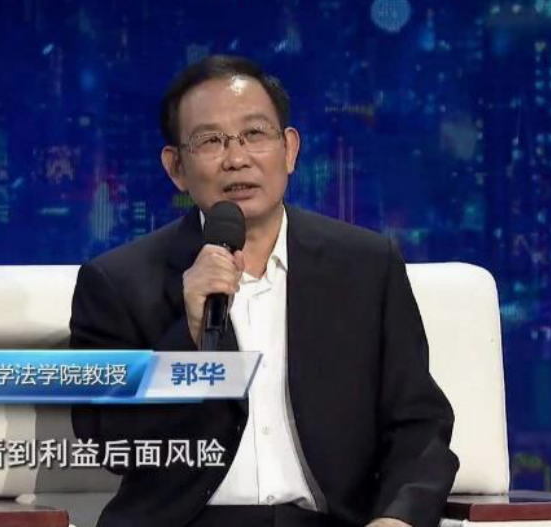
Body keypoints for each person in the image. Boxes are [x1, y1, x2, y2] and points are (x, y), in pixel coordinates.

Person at [69, 55, 458, 527]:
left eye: (254, 134)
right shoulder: (119, 282)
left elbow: (419, 425)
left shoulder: (367, 266)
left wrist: (398, 519)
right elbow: (106, 440)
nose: (237, 158)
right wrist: (188, 335)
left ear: (289, 149)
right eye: (210, 141)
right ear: (176, 167)